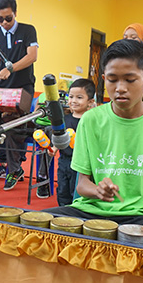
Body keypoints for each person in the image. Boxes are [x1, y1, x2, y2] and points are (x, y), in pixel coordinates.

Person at [44, 39, 143, 231]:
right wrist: (98, 190)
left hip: (138, 216)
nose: (120, 88)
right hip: (89, 211)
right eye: (112, 80)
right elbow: (82, 185)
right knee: (37, 225)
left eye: (130, 80)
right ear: (104, 79)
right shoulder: (90, 120)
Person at [0, 0, 39, 191]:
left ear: (15, 13)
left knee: (12, 123)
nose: (4, 23)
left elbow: (32, 56)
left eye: (8, 18)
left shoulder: (27, 30)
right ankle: (3, 163)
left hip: (24, 87)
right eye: (0, 19)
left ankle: (14, 169)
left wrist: (11, 69)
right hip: (3, 89)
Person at [47, 78, 96, 206]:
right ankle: (63, 211)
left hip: (81, 164)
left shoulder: (90, 120)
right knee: (62, 190)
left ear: (90, 102)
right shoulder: (64, 119)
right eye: (71, 97)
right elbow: (60, 137)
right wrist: (54, 148)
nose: (73, 101)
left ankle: (75, 213)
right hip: (64, 161)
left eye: (79, 97)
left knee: (76, 191)